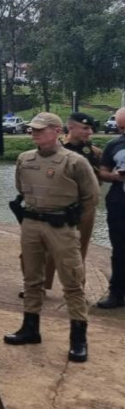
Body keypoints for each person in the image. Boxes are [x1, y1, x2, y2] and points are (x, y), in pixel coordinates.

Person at [4, 112, 98, 363]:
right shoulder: (25, 159)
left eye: (40, 129)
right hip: (31, 222)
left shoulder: (75, 161)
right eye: (33, 129)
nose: (34, 133)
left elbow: (91, 198)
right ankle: (30, 328)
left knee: (72, 281)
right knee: (31, 278)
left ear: (57, 131)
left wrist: (72, 222)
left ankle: (78, 338)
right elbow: (21, 188)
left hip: (61, 226)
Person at [44, 112, 102, 291]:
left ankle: (77, 289)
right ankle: (40, 285)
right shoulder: (53, 149)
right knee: (49, 247)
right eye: (85, 128)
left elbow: (99, 179)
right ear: (71, 127)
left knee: (79, 249)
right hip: (57, 206)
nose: (89, 132)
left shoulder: (94, 152)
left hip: (84, 208)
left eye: (90, 128)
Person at [96, 107, 125, 309]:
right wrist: (114, 176)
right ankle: (116, 293)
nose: (123, 131)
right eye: (121, 127)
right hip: (119, 203)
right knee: (119, 249)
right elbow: (102, 171)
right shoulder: (114, 144)